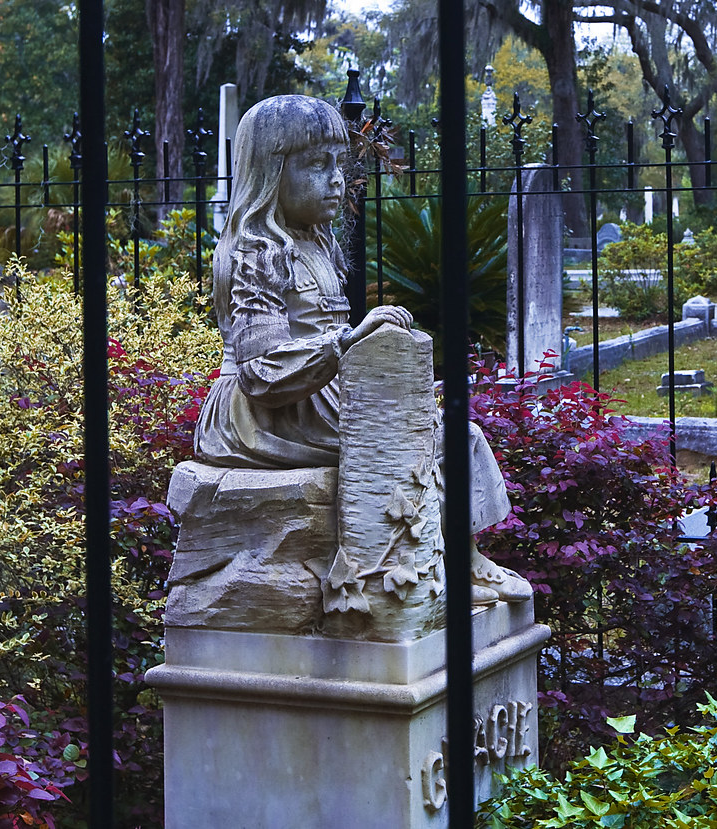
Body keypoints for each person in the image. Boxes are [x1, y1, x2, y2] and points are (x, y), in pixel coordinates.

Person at [195, 94, 530, 604]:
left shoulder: (316, 243)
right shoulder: (256, 253)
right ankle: (433, 570)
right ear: (270, 172)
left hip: (320, 393)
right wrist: (348, 342)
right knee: (426, 443)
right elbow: (260, 372)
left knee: (454, 433)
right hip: (268, 414)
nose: (336, 179)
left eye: (339, 164)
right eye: (316, 165)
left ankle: (461, 558)